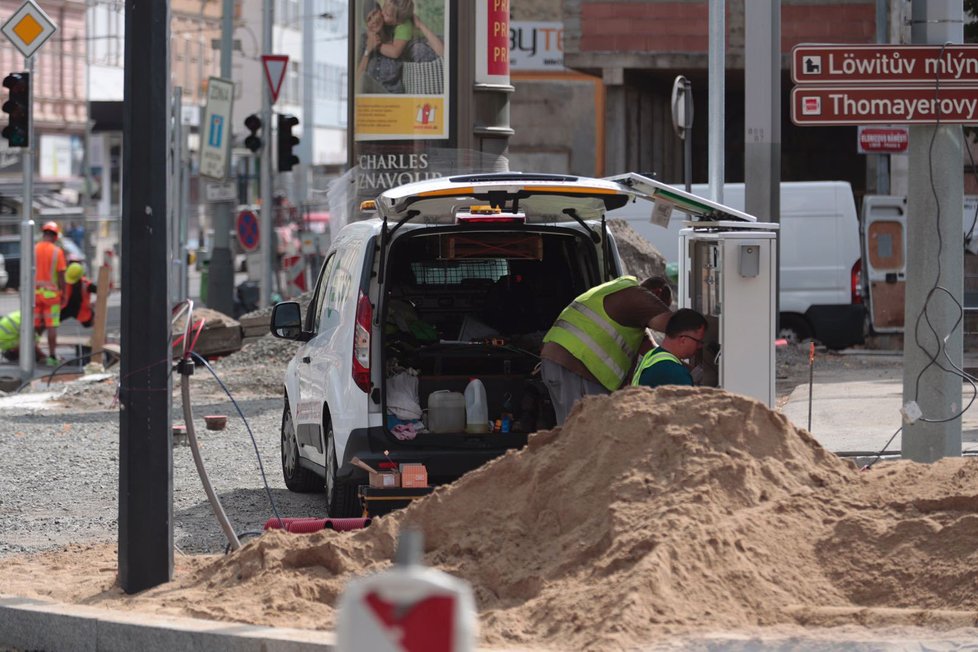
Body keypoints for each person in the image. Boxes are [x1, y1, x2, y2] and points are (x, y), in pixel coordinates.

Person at [540, 275, 673, 424]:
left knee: (577, 430)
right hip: (575, 365)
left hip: (561, 362)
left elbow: (653, 351)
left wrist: (692, 371)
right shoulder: (636, 296)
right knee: (580, 431)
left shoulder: (624, 301)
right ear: (657, 293)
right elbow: (677, 326)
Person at [631, 308, 709, 389]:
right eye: (698, 341)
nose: (700, 346)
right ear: (683, 340)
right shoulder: (675, 373)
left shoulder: (653, 355)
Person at [34, 221, 67, 366]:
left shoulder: (33, 249)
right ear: (54, 236)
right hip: (51, 296)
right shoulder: (56, 251)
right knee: (51, 326)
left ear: (44, 234)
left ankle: (30, 353)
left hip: (34, 295)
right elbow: (61, 275)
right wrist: (64, 293)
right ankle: (52, 357)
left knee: (35, 326)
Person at [60, 262, 98, 328]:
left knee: (50, 322)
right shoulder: (86, 284)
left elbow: (103, 292)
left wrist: (95, 303)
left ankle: (99, 335)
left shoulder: (86, 284)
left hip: (78, 309)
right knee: (50, 322)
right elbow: (104, 292)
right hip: (70, 308)